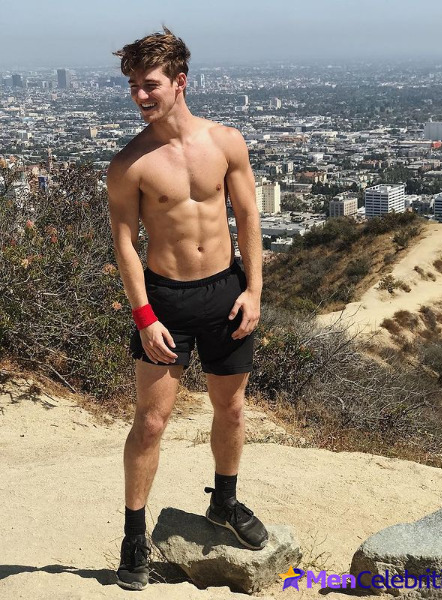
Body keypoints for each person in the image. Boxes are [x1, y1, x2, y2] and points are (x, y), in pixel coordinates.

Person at [107, 27, 268, 591]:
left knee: (232, 409)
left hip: (226, 292)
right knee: (150, 422)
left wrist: (254, 290)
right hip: (166, 300)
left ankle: (225, 501)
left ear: (180, 82)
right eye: (133, 85)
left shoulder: (226, 142)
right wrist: (144, 316)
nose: (139, 95)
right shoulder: (129, 164)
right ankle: (134, 536)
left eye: (149, 84)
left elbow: (248, 217)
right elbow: (125, 245)